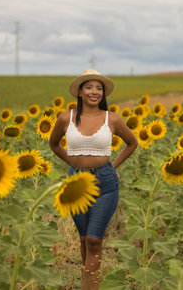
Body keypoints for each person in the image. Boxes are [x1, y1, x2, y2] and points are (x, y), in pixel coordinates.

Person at [49, 68, 138, 289]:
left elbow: (132, 143)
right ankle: (88, 281)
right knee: (83, 238)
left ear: (103, 94)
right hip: (76, 183)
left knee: (94, 240)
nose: (94, 91)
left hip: (105, 182)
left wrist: (113, 166)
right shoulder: (65, 118)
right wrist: (74, 163)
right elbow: (53, 144)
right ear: (80, 92)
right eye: (89, 87)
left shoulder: (113, 119)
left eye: (99, 88)